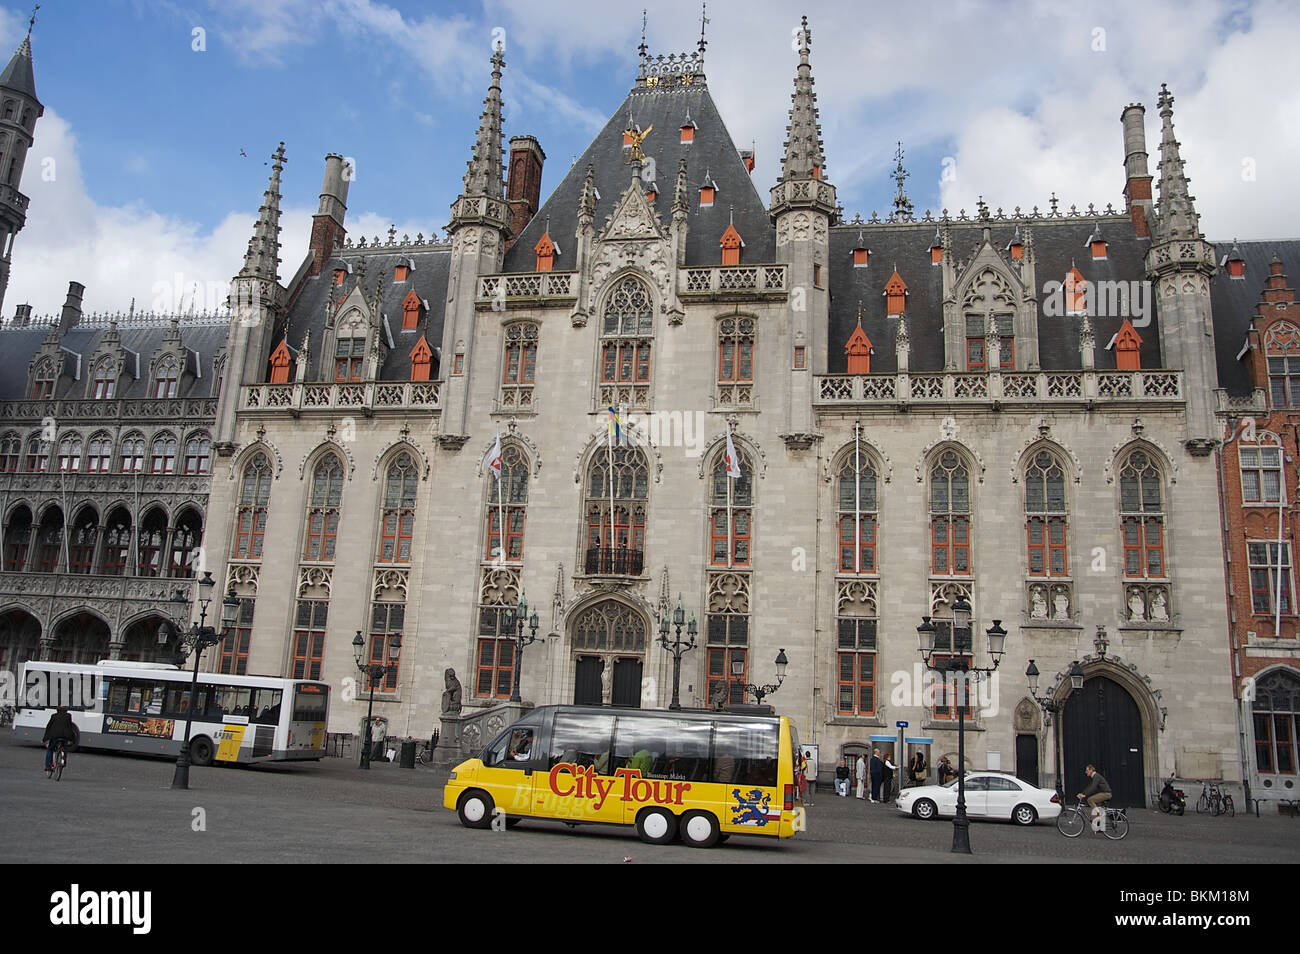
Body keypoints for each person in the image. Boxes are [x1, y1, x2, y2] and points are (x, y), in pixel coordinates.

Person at [42, 705, 79, 775]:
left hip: (55, 736)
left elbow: (48, 727)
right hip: (65, 736)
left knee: (50, 749)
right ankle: (63, 760)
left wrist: (45, 738)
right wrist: (72, 738)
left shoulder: (53, 716)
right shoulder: (69, 716)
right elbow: (70, 727)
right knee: (64, 747)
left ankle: (48, 766)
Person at [1078, 763, 1112, 831]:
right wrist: (1082, 793)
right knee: (1096, 807)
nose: (1086, 772)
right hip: (1105, 793)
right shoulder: (1095, 777)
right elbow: (1089, 786)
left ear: (1091, 770)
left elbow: (1093, 787)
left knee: (1090, 800)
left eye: (1087, 770)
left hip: (1106, 794)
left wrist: (1085, 795)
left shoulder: (1096, 776)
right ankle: (1099, 827)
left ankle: (1099, 816)